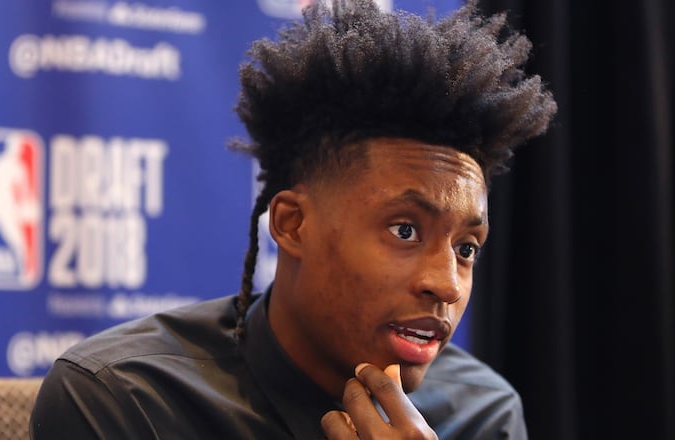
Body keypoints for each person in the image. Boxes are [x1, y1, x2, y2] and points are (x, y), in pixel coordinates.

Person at [30, 0, 556, 438]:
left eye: (466, 248)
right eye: (405, 230)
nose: (445, 284)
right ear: (291, 224)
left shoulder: (483, 413)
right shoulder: (124, 400)